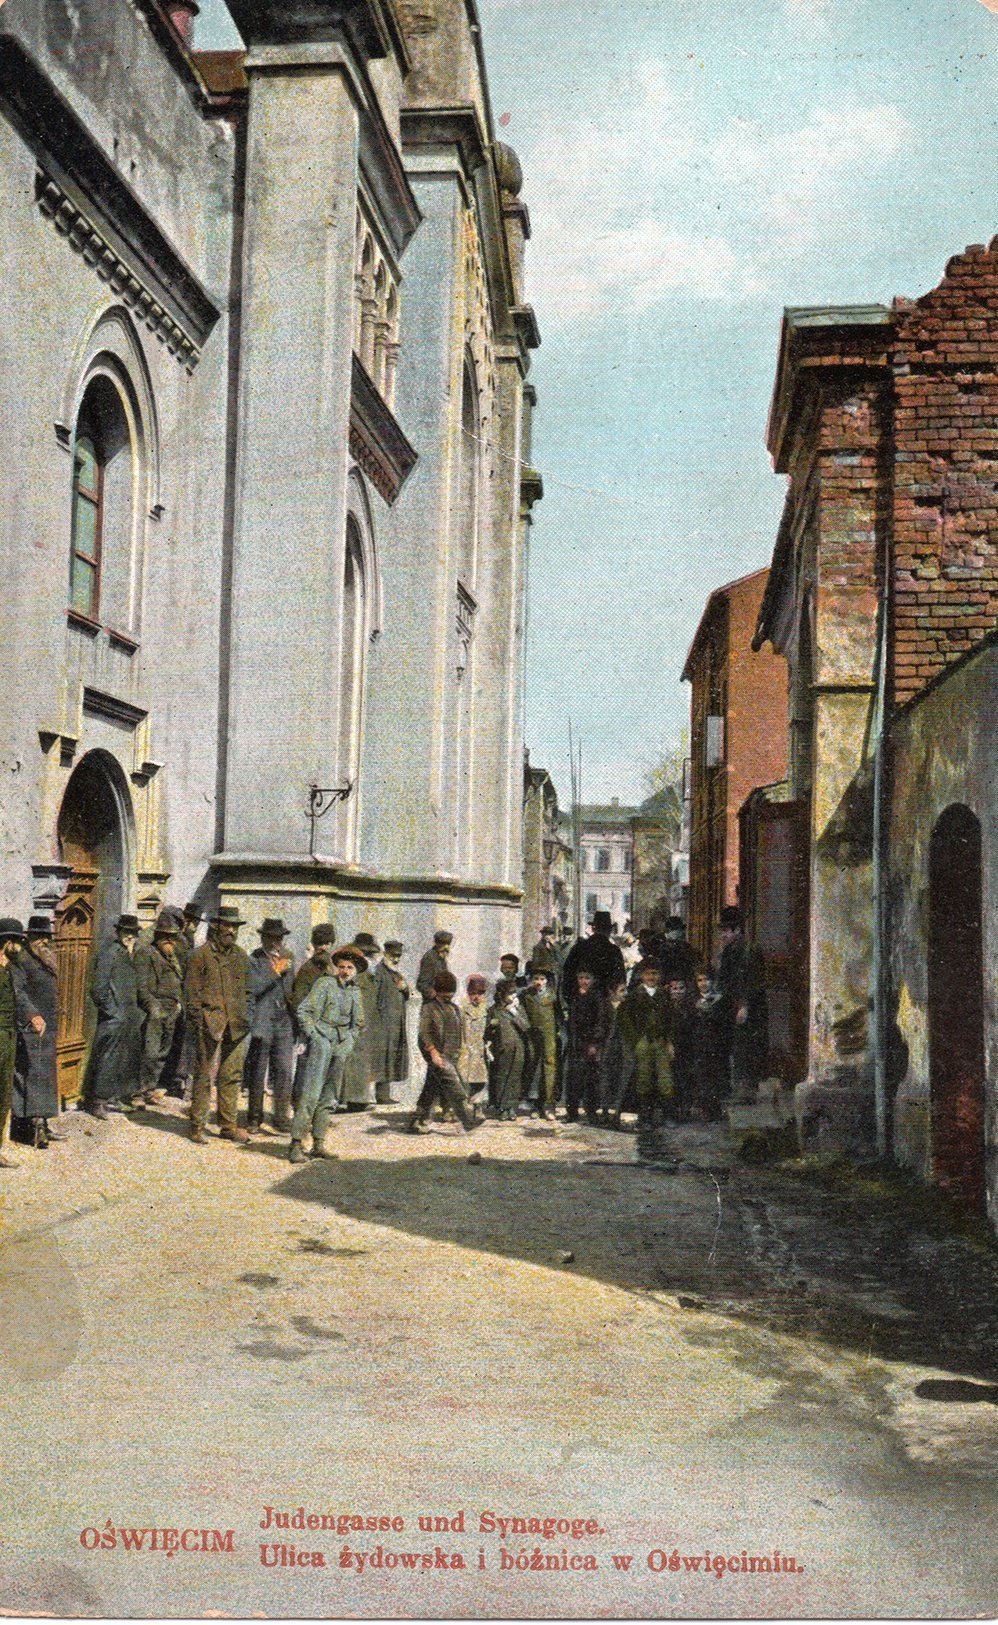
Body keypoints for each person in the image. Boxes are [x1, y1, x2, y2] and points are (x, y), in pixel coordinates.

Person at [289, 944, 367, 1162]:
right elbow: (303, 1011)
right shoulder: (325, 984)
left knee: (330, 1096)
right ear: (336, 968)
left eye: (350, 968)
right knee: (311, 1094)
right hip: (321, 1043)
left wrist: (348, 1043)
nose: (345, 971)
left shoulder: (354, 991)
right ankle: (296, 1144)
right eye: (342, 966)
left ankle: (318, 1143)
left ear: (356, 971)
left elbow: (358, 1023)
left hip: (340, 1048)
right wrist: (315, 1036)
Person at [184, 904, 252, 1145]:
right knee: (203, 1076)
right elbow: (191, 995)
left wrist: (247, 1015)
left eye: (235, 927)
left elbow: (249, 991)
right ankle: (197, 1126)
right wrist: (199, 1020)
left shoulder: (241, 956)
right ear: (216, 927)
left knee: (231, 1075)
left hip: (237, 1025)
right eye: (227, 926)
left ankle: (227, 1126)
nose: (231, 931)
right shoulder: (199, 956)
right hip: (209, 1024)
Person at [82, 914, 143, 1120]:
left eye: (133, 933)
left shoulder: (130, 954)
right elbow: (98, 988)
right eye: (126, 932)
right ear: (118, 932)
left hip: (128, 1018)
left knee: (122, 1059)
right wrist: (112, 1011)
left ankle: (112, 1098)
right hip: (114, 1018)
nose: (130, 937)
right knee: (106, 1059)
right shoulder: (110, 953)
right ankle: (96, 1102)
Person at [11, 914, 63, 1148]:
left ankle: (43, 1124)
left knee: (45, 1078)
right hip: (30, 1027)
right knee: (31, 1076)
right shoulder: (22, 960)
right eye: (39, 937)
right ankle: (32, 1128)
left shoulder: (45, 960)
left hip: (46, 1028)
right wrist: (32, 1016)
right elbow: (19, 992)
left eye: (46, 937)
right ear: (29, 937)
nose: (44, 941)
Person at [408, 971, 482, 1134]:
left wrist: (461, 1052)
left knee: (431, 1087)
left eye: (450, 993)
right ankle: (468, 1119)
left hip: (452, 1055)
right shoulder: (429, 1008)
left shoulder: (455, 1008)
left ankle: (417, 1120)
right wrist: (433, 1052)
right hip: (438, 1056)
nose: (447, 996)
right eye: (443, 993)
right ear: (436, 991)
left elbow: (460, 1032)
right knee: (455, 1087)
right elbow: (424, 1033)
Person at [616, 957, 674, 1161]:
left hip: (659, 1042)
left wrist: (668, 1041)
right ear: (641, 976)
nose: (652, 978)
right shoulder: (634, 996)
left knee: (664, 1077)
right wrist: (634, 1039)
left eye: (655, 974)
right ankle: (645, 1115)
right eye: (648, 974)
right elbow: (623, 1018)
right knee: (643, 1077)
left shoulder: (664, 996)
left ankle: (665, 1115)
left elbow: (670, 1020)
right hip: (642, 1042)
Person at [0, 918, 45, 1166]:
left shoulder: (13, 969)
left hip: (7, 1036)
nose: (19, 946)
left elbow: (19, 997)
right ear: (8, 942)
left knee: (3, 1093)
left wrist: (33, 1016)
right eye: (17, 941)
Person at [246, 917, 297, 1134]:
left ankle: (281, 1116)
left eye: (279, 938)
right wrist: (275, 971)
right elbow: (254, 987)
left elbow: (292, 990)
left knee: (284, 1071)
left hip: (284, 1021)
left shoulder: (289, 957)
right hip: (263, 1022)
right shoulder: (254, 959)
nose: (276, 942)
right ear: (263, 938)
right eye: (271, 938)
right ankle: (254, 1118)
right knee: (258, 1071)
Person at [714, 905, 768, 1104]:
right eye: (721, 931)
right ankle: (739, 1089)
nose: (722, 935)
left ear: (737, 930)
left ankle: (746, 1092)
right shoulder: (731, 949)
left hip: (746, 1007)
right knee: (737, 1046)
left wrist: (743, 1006)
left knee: (746, 1047)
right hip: (734, 1004)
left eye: (725, 931)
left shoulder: (748, 950)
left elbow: (750, 981)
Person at [133, 911, 184, 1107]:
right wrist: (153, 1007)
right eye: (165, 936)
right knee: (149, 1052)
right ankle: (137, 1092)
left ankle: (150, 1089)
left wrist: (177, 1005)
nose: (169, 940)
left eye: (172, 937)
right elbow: (141, 986)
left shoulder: (172, 957)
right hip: (155, 1009)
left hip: (171, 1009)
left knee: (163, 1051)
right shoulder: (146, 954)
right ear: (158, 936)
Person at [563, 966, 612, 1123]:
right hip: (575, 1043)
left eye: (587, 978)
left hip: (589, 1043)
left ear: (593, 980)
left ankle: (591, 1111)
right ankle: (572, 1111)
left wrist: (594, 1042)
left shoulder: (597, 997)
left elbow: (600, 1021)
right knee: (573, 1077)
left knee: (590, 1078)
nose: (583, 981)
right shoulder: (574, 996)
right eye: (581, 978)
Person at [366, 939, 410, 1105]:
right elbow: (372, 999)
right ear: (385, 954)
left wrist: (404, 988)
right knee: (380, 1060)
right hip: (382, 1025)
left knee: (390, 1059)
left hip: (395, 1025)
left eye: (399, 956)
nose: (397, 959)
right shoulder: (378, 972)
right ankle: (378, 1096)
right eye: (393, 956)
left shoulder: (396, 974)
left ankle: (384, 1095)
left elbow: (406, 994)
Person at [340, 932, 381, 1109]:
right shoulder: (355, 970)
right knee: (352, 1061)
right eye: (365, 952)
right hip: (356, 1021)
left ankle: (357, 1099)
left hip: (365, 1021)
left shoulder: (366, 970)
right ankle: (352, 1100)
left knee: (359, 1061)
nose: (368, 956)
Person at [484, 977, 530, 1120]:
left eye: (514, 993)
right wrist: (488, 1046)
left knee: (515, 1078)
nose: (513, 996)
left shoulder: (518, 1009)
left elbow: (526, 1027)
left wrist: (514, 1013)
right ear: (501, 995)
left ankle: (511, 1108)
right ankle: (502, 1108)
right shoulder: (494, 1010)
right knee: (502, 1078)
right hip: (502, 1048)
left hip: (518, 1048)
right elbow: (488, 1031)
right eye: (510, 994)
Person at [521, 964, 561, 1120]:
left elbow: (559, 1014)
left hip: (549, 1036)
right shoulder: (526, 995)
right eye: (536, 978)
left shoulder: (553, 995)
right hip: (532, 1035)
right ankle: (535, 1105)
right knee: (534, 1067)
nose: (539, 981)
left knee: (549, 1067)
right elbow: (522, 1014)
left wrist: (558, 1030)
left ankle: (548, 1104)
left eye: (542, 979)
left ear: (546, 981)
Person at [561, 911, 626, 1004]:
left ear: (594, 928)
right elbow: (620, 980)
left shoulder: (579, 947)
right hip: (604, 1004)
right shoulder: (613, 951)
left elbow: (567, 974)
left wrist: (572, 1000)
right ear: (609, 930)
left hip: (580, 1001)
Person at [692, 969, 727, 1122]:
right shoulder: (692, 1001)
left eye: (706, 980)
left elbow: (725, 1024)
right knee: (701, 1078)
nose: (703, 984)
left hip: (715, 1045)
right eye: (699, 980)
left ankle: (715, 1110)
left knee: (716, 1078)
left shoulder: (720, 1000)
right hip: (698, 1046)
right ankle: (704, 1109)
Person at [459, 974, 489, 1107]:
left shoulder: (486, 1011)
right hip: (465, 1050)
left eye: (480, 994)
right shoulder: (462, 1010)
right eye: (473, 994)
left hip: (480, 1051)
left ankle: (476, 1107)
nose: (476, 997)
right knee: (463, 1080)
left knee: (479, 1081)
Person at [416, 930, 453, 1002]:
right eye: (444, 944)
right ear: (437, 944)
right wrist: (434, 995)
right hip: (432, 1003)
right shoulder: (429, 958)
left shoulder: (441, 959)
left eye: (448, 944)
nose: (447, 947)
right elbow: (421, 984)